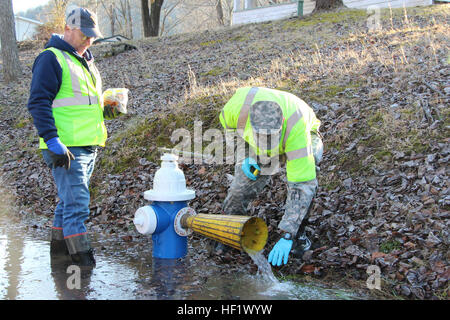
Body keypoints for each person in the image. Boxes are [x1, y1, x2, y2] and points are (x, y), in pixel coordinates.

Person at [27, 7, 120, 268]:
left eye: (93, 36)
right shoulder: (51, 58)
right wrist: (52, 140)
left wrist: (107, 110)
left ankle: (58, 258)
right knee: (77, 205)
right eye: (85, 34)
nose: (89, 40)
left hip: (88, 144)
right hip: (66, 146)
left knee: (67, 203)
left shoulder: (86, 61)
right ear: (68, 28)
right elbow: (38, 102)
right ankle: (81, 267)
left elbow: (82, 104)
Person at [218, 87, 323, 267]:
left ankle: (299, 236)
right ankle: (229, 231)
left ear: (281, 124)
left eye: (270, 139)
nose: (268, 147)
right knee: (239, 189)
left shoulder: (297, 131)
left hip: (301, 136)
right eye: (262, 138)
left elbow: (303, 184)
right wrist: (245, 155)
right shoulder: (235, 110)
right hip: (253, 144)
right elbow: (231, 132)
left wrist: (287, 233)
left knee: (310, 167)